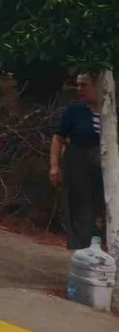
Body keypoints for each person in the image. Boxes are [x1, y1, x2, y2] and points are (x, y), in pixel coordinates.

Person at [50, 73, 106, 250]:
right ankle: (81, 246)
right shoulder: (74, 110)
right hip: (77, 162)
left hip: (105, 164)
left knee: (101, 205)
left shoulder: (111, 110)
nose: (79, 89)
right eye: (78, 85)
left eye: (84, 85)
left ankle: (100, 245)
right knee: (79, 204)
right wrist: (54, 166)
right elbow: (58, 138)